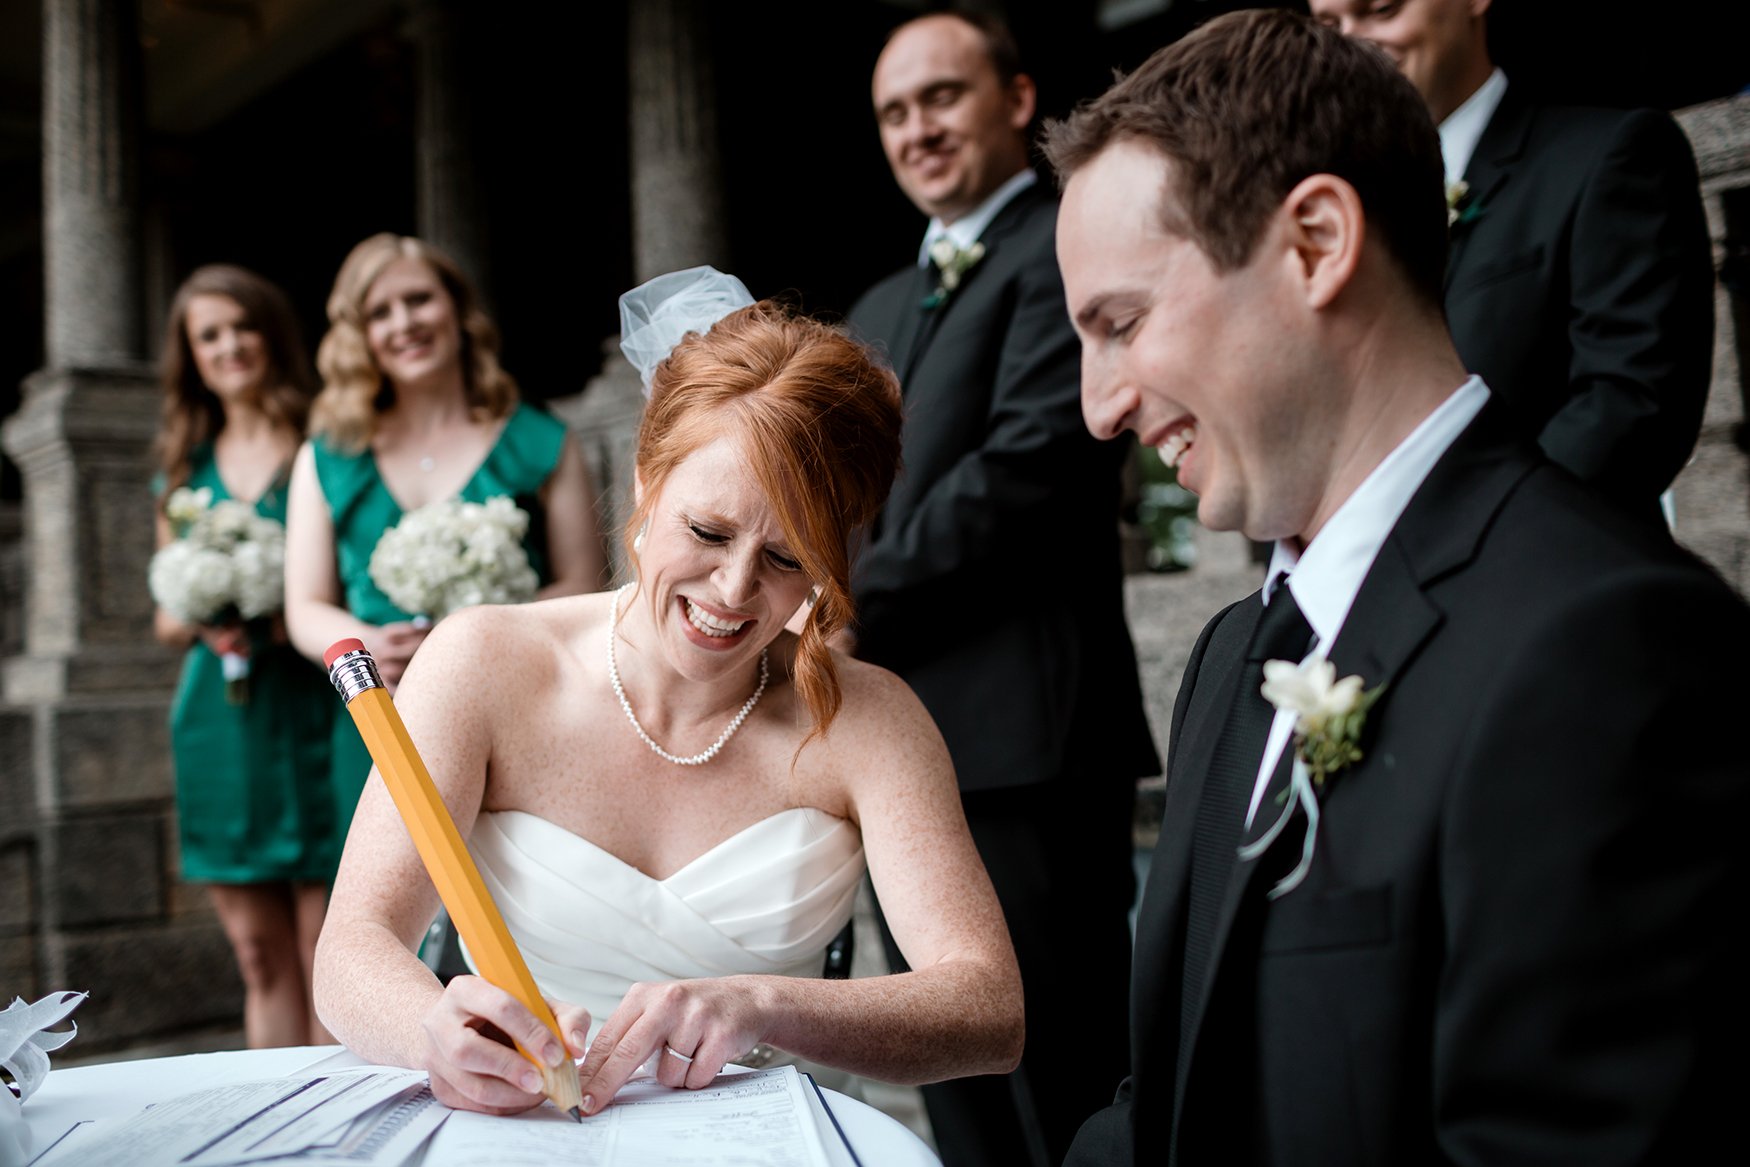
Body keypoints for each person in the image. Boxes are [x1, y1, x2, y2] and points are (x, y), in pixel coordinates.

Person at [1044, 9, 1749, 1164]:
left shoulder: (1604, 650)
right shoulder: (1235, 659)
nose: (1099, 405)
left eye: (1120, 324)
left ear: (1317, 242)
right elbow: (1168, 1109)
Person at [310, 278, 1024, 1120]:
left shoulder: (872, 720)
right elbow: (351, 947)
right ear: (648, 479)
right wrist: (433, 1026)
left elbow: (989, 1010)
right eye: (710, 532)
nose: (733, 589)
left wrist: (765, 1004)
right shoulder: (483, 662)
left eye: (787, 559)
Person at [847, 14, 1158, 1166]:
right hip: (893, 743)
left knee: (1064, 1065)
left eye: (940, 96)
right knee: (942, 1068)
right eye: (894, 112)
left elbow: (1029, 465)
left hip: (1028, 732)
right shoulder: (876, 308)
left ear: (1017, 98)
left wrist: (843, 602)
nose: (917, 129)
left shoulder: (1059, 247)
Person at [1308, 0, 1713, 523]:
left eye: (1382, 9)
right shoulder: (1335, 212)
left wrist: (1461, 546)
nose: (1355, 41)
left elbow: (1630, 405)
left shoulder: (1609, 155)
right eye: (1330, 25)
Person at [285, 234, 604, 846]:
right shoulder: (325, 456)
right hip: (379, 716)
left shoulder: (542, 441)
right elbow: (304, 605)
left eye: (419, 300)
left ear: (457, 308)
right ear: (361, 334)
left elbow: (583, 584)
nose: (404, 323)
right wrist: (367, 648)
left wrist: (473, 636)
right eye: (380, 312)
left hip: (516, 711)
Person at [151, 264, 337, 1048]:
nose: (229, 346)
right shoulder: (183, 464)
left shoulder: (323, 438)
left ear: (271, 333)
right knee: (259, 955)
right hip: (221, 718)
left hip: (316, 703)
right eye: (209, 335)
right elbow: (163, 615)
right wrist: (207, 611)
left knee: (329, 948)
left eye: (242, 326)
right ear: (190, 355)